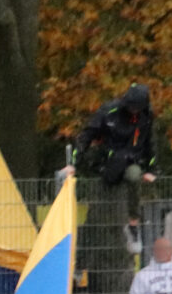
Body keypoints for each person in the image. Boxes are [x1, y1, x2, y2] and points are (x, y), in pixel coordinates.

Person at [64, 82, 157, 218]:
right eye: (131, 106)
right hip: (105, 163)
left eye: (137, 107)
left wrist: (151, 170)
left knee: (134, 175)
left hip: (130, 161)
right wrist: (73, 163)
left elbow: (150, 143)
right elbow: (86, 136)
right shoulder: (108, 111)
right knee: (102, 209)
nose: (133, 110)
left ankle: (134, 220)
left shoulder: (146, 117)